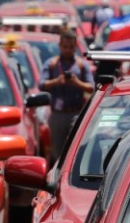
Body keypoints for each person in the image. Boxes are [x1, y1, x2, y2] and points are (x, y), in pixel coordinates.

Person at [39, 29, 94, 164]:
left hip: (75, 113)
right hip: (57, 115)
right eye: (65, 47)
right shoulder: (51, 64)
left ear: (75, 47)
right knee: (58, 152)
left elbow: (91, 87)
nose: (68, 50)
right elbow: (41, 84)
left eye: (71, 47)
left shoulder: (81, 65)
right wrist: (57, 81)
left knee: (74, 151)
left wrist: (77, 82)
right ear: (60, 46)